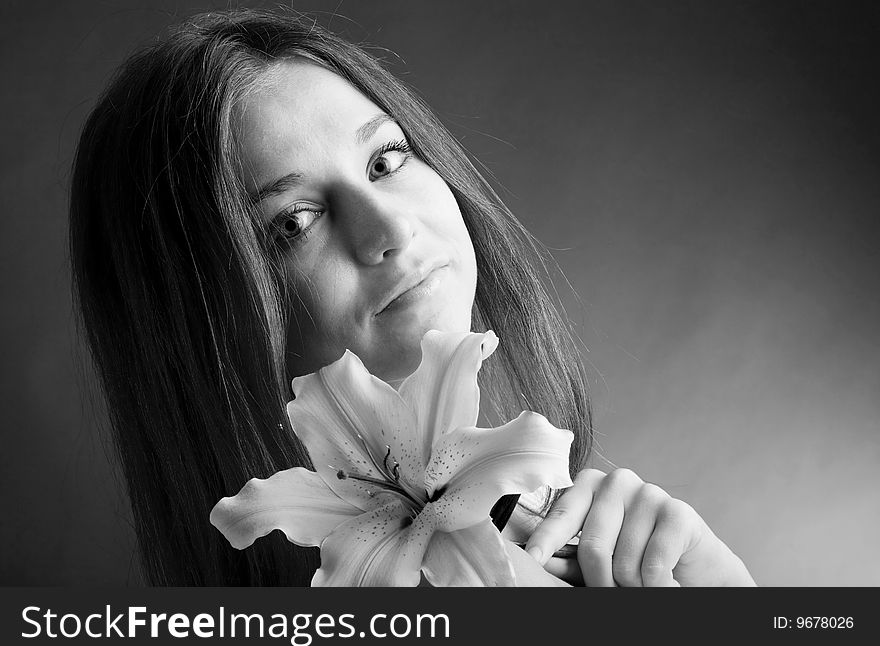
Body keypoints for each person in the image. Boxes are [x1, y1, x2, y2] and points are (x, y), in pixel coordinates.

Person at [69, 8, 754, 586]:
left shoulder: (565, 529)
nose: (391, 228)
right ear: (201, 326)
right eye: (295, 222)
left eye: (386, 160)